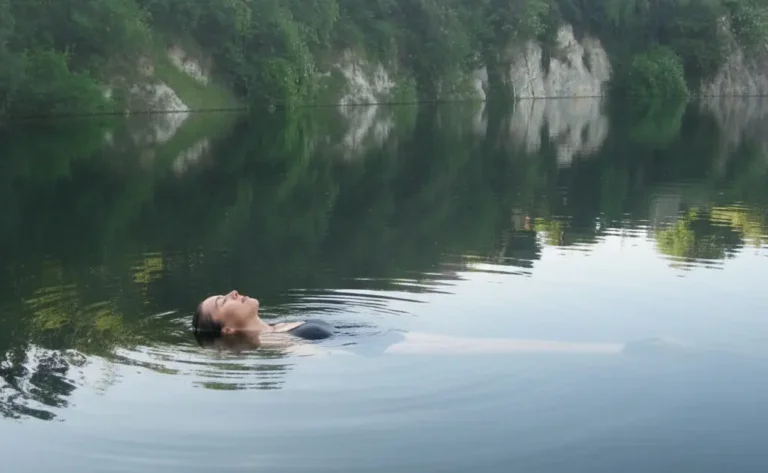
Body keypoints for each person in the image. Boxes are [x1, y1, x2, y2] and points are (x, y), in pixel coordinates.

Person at [192, 289, 334, 347]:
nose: (233, 293)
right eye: (223, 301)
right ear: (228, 330)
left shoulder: (276, 328)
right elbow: (327, 360)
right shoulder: (279, 342)